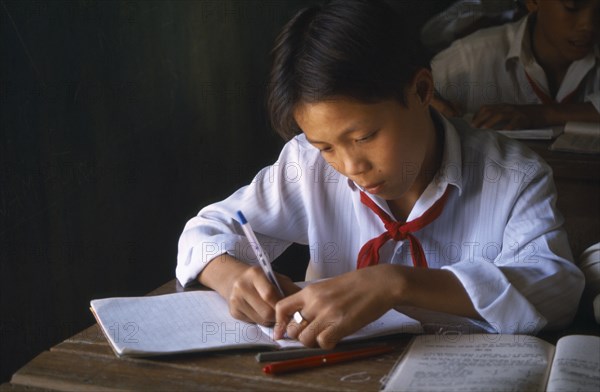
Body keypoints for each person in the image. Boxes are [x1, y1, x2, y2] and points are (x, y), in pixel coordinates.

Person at [176, 0, 584, 349]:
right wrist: (230, 277)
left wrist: (396, 283)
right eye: (326, 146)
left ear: (422, 91)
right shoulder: (308, 166)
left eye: (365, 136)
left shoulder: (512, 176)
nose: (351, 167)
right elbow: (204, 231)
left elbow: (556, 287)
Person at [431, 0, 600, 129]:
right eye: (572, 8)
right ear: (533, 1)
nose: (589, 25)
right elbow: (416, 97)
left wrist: (542, 115)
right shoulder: (469, 58)